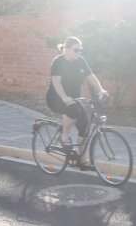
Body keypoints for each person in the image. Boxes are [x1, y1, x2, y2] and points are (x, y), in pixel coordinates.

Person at [45, 36, 107, 168]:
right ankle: (64, 135)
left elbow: (91, 77)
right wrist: (64, 97)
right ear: (66, 49)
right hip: (56, 98)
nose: (79, 52)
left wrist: (101, 90)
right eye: (76, 50)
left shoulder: (81, 61)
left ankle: (82, 161)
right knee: (73, 110)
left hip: (75, 98)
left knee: (84, 126)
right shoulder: (58, 62)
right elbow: (56, 82)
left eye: (80, 50)